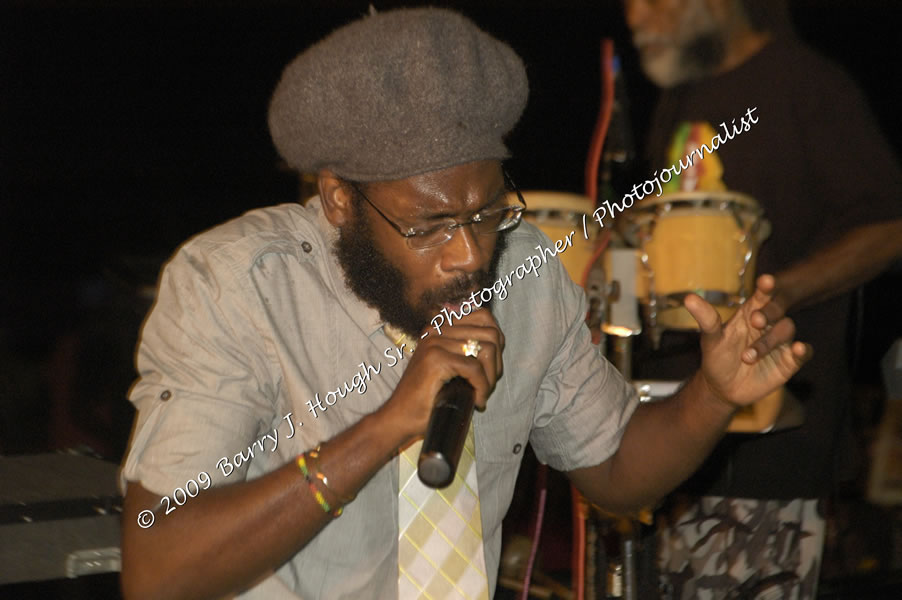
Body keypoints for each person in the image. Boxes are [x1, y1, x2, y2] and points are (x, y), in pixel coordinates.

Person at [118, 7, 810, 600]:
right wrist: (384, 428)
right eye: (429, 226)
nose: (470, 255)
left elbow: (617, 470)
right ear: (338, 199)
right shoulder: (236, 285)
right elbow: (157, 567)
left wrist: (712, 396)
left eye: (485, 213)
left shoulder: (525, 275)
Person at [623, 0, 902, 598]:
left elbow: (888, 226)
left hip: (768, 452)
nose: (636, 16)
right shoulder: (678, 100)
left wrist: (786, 291)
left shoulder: (805, 83)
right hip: (667, 442)